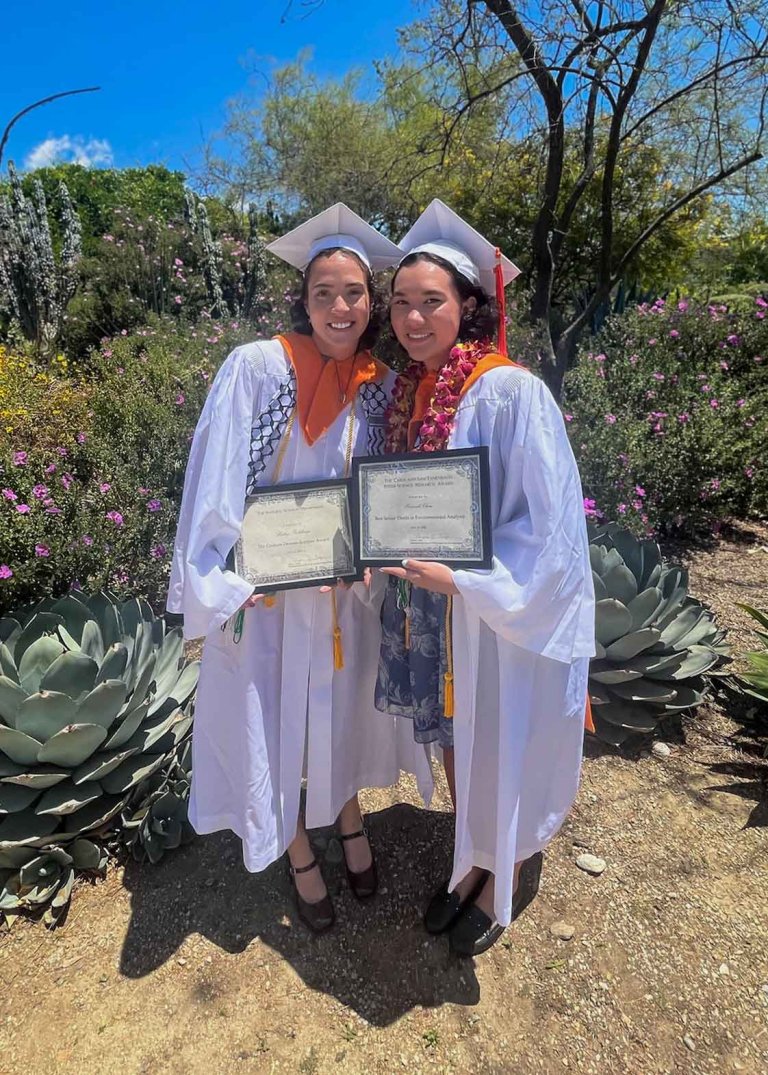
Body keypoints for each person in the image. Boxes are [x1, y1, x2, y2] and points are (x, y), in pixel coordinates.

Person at [168, 204, 432, 932]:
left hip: (341, 594)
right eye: (325, 292)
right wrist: (229, 580)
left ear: (370, 301)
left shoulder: (378, 382)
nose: (340, 306)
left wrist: (373, 556)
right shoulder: (259, 367)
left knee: (337, 708)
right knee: (273, 714)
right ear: (304, 299)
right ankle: (293, 844)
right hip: (269, 597)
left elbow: (378, 486)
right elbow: (216, 482)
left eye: (354, 292)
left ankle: (346, 813)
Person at [375, 199, 596, 955]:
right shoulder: (409, 391)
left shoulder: (508, 390)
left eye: (430, 302)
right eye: (401, 303)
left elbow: (551, 529)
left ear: (467, 305)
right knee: (452, 731)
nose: (412, 317)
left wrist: (473, 582)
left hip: (491, 610)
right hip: (432, 606)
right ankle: (470, 853)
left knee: (499, 730)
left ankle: (506, 867)